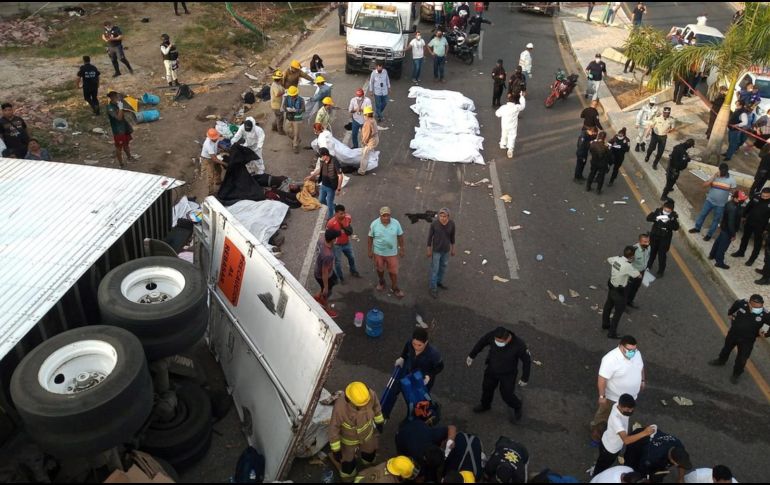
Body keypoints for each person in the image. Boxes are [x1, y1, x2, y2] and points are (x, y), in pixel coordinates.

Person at [466, 326, 531, 423]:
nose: (496, 343)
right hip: (492, 369)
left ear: (507, 338)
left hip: (508, 374)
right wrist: (472, 355)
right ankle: (485, 405)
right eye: (496, 340)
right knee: (487, 388)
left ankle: (517, 405)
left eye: (499, 341)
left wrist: (525, 378)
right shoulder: (493, 334)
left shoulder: (519, 345)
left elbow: (527, 361)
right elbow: (482, 342)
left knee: (507, 394)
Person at [590, 336, 645, 443]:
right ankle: (596, 434)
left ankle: (614, 431)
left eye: (634, 349)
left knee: (621, 417)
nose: (632, 353)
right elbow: (602, 379)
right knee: (603, 416)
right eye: (629, 350)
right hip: (613, 398)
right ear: (620, 346)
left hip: (630, 398)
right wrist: (602, 396)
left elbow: (641, 366)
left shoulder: (637, 354)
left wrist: (642, 380)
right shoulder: (610, 359)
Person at [329, 381, 385, 482]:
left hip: (367, 435)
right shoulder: (340, 408)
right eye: (361, 405)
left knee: (370, 454)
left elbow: (376, 407)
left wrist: (379, 421)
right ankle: (348, 477)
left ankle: (368, 465)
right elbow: (334, 428)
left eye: (366, 403)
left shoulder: (369, 395)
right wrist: (336, 450)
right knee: (347, 464)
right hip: (349, 441)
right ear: (349, 400)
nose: (365, 406)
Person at [709, 294, 770, 383]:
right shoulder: (742, 304)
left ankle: (736, 374)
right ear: (749, 303)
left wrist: (765, 334)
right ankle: (721, 360)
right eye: (756, 307)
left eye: (760, 307)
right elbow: (734, 306)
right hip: (733, 334)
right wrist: (730, 313)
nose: (758, 309)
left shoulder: (766, 314)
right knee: (726, 348)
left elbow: (768, 326)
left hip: (747, 340)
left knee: (742, 358)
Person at [592, 394, 654, 477]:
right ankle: (596, 476)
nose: (630, 411)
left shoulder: (618, 404)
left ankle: (598, 468)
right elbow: (626, 440)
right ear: (620, 406)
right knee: (602, 467)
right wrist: (645, 432)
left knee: (602, 462)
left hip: (609, 441)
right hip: (610, 449)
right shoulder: (616, 420)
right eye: (628, 409)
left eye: (632, 409)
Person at [689, 163, 738, 241]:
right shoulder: (714, 176)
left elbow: (734, 191)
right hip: (709, 201)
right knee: (702, 214)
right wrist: (713, 177)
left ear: (726, 171)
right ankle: (697, 228)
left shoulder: (731, 180)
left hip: (721, 205)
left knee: (716, 220)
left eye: (721, 171)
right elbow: (704, 185)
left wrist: (733, 198)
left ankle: (709, 235)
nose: (720, 172)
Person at [623, 429, 692, 483]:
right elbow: (643, 474)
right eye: (677, 464)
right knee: (632, 470)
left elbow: (681, 463)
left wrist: (681, 478)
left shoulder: (678, 445)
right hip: (636, 443)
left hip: (650, 441)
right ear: (672, 460)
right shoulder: (652, 457)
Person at [603, 247, 641, 338]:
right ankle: (612, 333)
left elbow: (609, 259)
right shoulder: (628, 266)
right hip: (620, 293)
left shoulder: (617, 258)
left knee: (608, 306)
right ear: (631, 257)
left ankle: (605, 324)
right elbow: (638, 275)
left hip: (612, 287)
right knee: (618, 313)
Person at [369, 207, 405, 297]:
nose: (386, 218)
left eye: (387, 215)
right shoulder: (374, 224)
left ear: (390, 215)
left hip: (392, 253)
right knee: (380, 269)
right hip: (378, 253)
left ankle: (394, 287)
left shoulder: (396, 223)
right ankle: (381, 281)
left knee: (393, 272)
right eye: (383, 216)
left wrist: (402, 248)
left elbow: (400, 236)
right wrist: (369, 251)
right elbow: (370, 238)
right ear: (380, 216)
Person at [395, 327, 444, 393]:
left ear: (426, 343)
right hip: (410, 372)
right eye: (414, 344)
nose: (416, 347)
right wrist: (402, 357)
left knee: (420, 397)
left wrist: (429, 375)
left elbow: (440, 367)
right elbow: (407, 346)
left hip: (423, 380)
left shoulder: (433, 354)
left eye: (419, 345)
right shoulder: (410, 343)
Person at [732, 187, 770, 265]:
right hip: (750, 222)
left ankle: (752, 259)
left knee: (757, 244)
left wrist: (767, 229)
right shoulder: (756, 196)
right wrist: (743, 216)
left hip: (761, 227)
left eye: (767, 196)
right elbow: (748, 206)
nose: (764, 198)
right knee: (745, 238)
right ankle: (741, 252)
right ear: (761, 193)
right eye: (763, 196)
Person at [710, 190, 745, 269]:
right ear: (735, 198)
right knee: (723, 247)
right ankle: (719, 262)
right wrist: (733, 234)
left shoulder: (731, 204)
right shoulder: (733, 208)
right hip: (728, 230)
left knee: (718, 242)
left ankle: (712, 255)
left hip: (724, 228)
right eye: (740, 199)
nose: (743, 200)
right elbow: (731, 223)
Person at [426, 208, 456, 298]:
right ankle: (433, 288)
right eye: (441, 216)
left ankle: (438, 282)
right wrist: (428, 249)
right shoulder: (434, 224)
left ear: (448, 217)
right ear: (439, 216)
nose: (443, 218)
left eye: (445, 216)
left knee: (443, 267)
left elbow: (452, 237)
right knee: (435, 269)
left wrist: (453, 248)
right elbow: (430, 237)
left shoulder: (451, 224)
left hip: (446, 250)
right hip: (436, 251)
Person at [306, 147, 343, 220]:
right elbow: (320, 169)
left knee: (329, 204)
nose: (320, 158)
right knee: (321, 200)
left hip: (331, 187)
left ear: (325, 155)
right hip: (323, 185)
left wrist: (338, 189)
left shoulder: (334, 161)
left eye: (321, 156)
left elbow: (340, 176)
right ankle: (334, 206)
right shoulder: (322, 161)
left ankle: (330, 219)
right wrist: (312, 176)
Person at [327, 205, 360, 282]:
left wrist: (350, 234)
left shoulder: (348, 217)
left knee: (351, 257)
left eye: (344, 213)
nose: (343, 215)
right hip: (337, 245)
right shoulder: (331, 223)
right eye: (341, 213)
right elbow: (328, 234)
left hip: (347, 243)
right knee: (338, 262)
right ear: (336, 213)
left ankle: (353, 270)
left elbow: (348, 227)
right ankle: (340, 276)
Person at [646, 200, 679, 277]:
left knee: (662, 256)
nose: (666, 212)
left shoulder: (673, 217)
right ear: (663, 207)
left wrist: (669, 222)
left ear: (671, 211)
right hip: (654, 236)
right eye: (665, 210)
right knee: (652, 252)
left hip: (664, 239)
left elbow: (676, 227)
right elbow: (648, 218)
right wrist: (656, 218)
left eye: (668, 211)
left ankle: (661, 271)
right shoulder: (658, 211)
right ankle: (648, 265)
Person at [313, 229, 340, 318]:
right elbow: (325, 272)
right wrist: (326, 287)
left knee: (334, 281)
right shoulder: (328, 255)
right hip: (323, 276)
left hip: (318, 270)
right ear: (332, 239)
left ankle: (317, 296)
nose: (336, 239)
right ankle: (327, 309)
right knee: (327, 293)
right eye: (335, 238)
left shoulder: (321, 240)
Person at [106, 91, 135, 169]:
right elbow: (118, 118)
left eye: (117, 96)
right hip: (118, 130)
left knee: (126, 144)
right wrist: (121, 108)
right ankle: (121, 163)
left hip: (124, 128)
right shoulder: (110, 108)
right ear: (111, 98)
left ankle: (130, 157)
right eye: (115, 97)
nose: (117, 98)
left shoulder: (117, 105)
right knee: (119, 147)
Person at [496, 92, 526, 159]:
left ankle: (503, 144)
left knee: (504, 134)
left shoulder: (503, 107)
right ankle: (510, 150)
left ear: (508, 100)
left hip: (505, 125)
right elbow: (523, 106)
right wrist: (521, 96)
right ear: (514, 101)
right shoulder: (516, 107)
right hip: (513, 126)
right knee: (512, 137)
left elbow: (497, 114)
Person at [626, 234, 650, 308]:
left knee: (635, 288)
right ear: (639, 242)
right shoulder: (634, 250)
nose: (647, 244)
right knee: (627, 289)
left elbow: (647, 257)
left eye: (648, 241)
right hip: (632, 273)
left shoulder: (649, 247)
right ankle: (623, 305)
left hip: (641, 272)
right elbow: (628, 263)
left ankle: (630, 301)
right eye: (644, 242)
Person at [200, 127, 225, 194]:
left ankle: (218, 181)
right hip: (207, 159)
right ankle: (210, 193)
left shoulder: (215, 138)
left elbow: (217, 144)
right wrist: (224, 163)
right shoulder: (208, 144)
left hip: (214, 156)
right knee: (210, 176)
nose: (216, 139)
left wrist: (223, 148)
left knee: (218, 169)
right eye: (215, 138)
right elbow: (214, 159)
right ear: (211, 138)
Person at [281, 85, 305, 154]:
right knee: (287, 130)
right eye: (291, 95)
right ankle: (297, 139)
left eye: (293, 95)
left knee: (296, 133)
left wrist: (296, 110)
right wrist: (287, 109)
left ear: (296, 94)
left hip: (297, 118)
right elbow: (284, 106)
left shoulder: (301, 99)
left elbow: (303, 109)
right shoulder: (287, 98)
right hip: (289, 117)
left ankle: (295, 145)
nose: (292, 97)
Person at [359, 105, 379, 175]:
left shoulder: (367, 123)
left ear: (366, 115)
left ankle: (362, 171)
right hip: (375, 139)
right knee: (369, 152)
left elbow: (367, 134)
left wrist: (364, 142)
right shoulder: (373, 120)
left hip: (370, 141)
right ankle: (372, 161)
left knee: (364, 156)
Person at [270, 70, 286, 134]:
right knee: (280, 118)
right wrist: (284, 92)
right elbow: (277, 94)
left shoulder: (277, 84)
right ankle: (280, 131)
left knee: (277, 117)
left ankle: (274, 127)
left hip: (276, 104)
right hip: (276, 105)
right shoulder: (275, 86)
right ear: (279, 79)